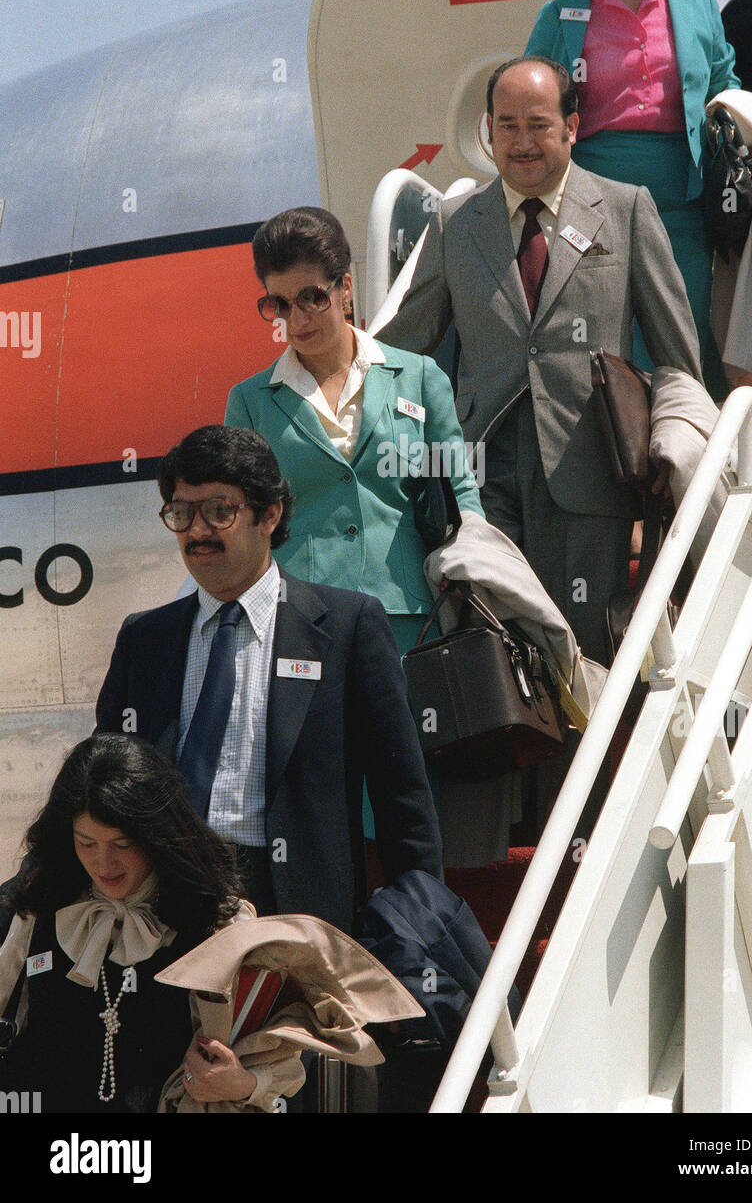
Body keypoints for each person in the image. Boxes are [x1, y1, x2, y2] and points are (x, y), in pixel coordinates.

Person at [379, 56, 703, 665]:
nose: (522, 143)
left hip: (591, 468)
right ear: (489, 132)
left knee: (587, 645)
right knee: (495, 654)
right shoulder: (455, 223)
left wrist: (673, 446)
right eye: (507, 126)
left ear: (572, 126)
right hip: (483, 473)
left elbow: (677, 355)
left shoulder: (626, 208)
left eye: (538, 125)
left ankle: (594, 762)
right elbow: (404, 345)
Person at [94, 424, 443, 926]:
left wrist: (423, 917)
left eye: (219, 511)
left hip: (296, 906)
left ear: (270, 514)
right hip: (162, 903)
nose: (196, 531)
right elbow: (102, 784)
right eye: (181, 512)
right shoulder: (145, 639)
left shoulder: (347, 628)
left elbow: (401, 795)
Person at [224, 205, 484, 659]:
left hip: (407, 619)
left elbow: (462, 489)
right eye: (279, 304)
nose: (297, 319)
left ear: (345, 288)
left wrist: (468, 577)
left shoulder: (421, 377)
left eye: (312, 297)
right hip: (299, 625)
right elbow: (241, 525)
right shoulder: (249, 402)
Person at [526, 0, 739, 396]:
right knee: (610, 338)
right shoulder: (560, 15)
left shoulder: (698, 6)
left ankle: (693, 454)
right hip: (594, 200)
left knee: (685, 332)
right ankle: (625, 467)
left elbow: (726, 89)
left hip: (683, 198)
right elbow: (530, 103)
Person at [0, 734, 267, 1113]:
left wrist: (241, 1083)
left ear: (158, 835)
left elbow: (269, 1061)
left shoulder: (218, 922)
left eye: (122, 844)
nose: (103, 864)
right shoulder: (39, 904)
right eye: (86, 843)